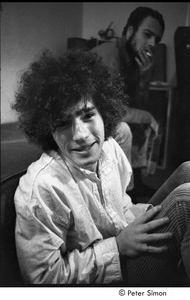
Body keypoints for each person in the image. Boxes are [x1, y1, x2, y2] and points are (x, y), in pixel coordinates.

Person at [12, 49, 190, 286]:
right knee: (185, 202)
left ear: (103, 112)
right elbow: (42, 277)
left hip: (126, 238)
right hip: (109, 274)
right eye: (63, 123)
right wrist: (116, 247)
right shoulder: (41, 188)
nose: (81, 135)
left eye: (87, 115)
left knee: (187, 170)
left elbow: (122, 204)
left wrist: (141, 217)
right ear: (48, 130)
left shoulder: (110, 148)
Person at [91, 6, 165, 201]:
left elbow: (137, 103)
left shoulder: (133, 58)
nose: (151, 44)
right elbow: (114, 110)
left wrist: (144, 76)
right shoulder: (111, 55)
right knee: (123, 128)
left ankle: (137, 183)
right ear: (130, 31)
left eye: (156, 40)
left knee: (139, 125)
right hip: (84, 114)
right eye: (147, 35)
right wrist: (148, 117)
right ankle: (127, 191)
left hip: (101, 114)